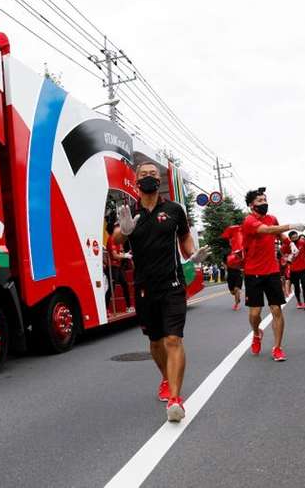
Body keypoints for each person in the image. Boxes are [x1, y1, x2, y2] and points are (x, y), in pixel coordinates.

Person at [115, 162, 208, 422]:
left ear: (160, 180)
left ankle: (176, 398)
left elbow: (185, 237)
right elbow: (116, 239)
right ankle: (165, 378)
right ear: (136, 180)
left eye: (153, 175)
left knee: (172, 340)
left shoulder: (174, 209)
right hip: (145, 287)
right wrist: (124, 232)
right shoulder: (128, 211)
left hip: (173, 284)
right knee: (155, 342)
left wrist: (192, 254)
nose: (149, 178)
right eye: (143, 175)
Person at [242, 187, 305, 361]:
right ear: (251, 205)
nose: (264, 203)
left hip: (272, 271)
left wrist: (290, 243)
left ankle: (277, 348)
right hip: (253, 272)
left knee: (276, 309)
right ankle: (257, 333)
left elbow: (278, 231)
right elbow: (268, 230)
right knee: (255, 313)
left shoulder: (272, 218)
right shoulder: (249, 221)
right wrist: (293, 225)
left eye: (265, 200)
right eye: (259, 201)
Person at [106, 224, 133, 312]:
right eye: (117, 228)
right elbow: (114, 255)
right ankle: (105, 309)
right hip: (112, 267)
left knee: (125, 284)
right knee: (112, 287)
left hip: (119, 266)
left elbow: (120, 253)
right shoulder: (111, 239)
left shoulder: (118, 240)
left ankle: (129, 307)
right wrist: (125, 256)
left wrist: (126, 253)